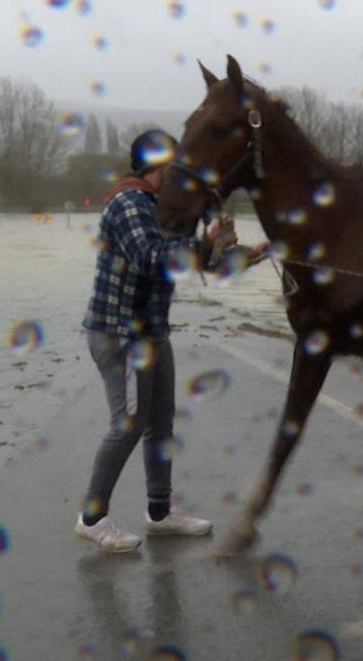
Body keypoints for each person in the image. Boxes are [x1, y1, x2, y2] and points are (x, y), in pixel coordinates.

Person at [77, 130, 234, 553]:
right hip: (121, 335)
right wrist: (200, 242)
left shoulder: (154, 206)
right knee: (126, 425)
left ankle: (160, 513)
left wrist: (217, 246)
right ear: (158, 164)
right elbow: (151, 258)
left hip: (151, 333)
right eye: (175, 163)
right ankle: (92, 518)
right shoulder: (129, 202)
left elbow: (184, 262)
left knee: (160, 423)